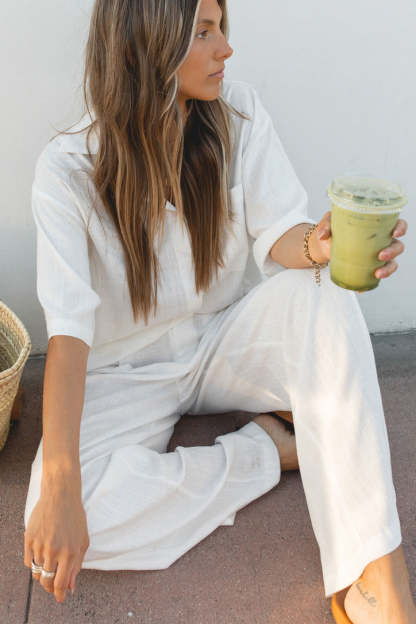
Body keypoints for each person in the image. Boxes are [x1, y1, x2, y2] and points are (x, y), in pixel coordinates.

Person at [23, 0, 414, 621]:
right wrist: (62, 484)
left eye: (221, 27)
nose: (225, 48)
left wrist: (323, 245)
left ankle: (379, 577)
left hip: (223, 343)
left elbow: (279, 233)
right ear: (147, 43)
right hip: (124, 376)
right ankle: (269, 451)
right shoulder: (67, 170)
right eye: (203, 31)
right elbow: (69, 334)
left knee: (326, 290)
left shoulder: (239, 113)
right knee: (65, 517)